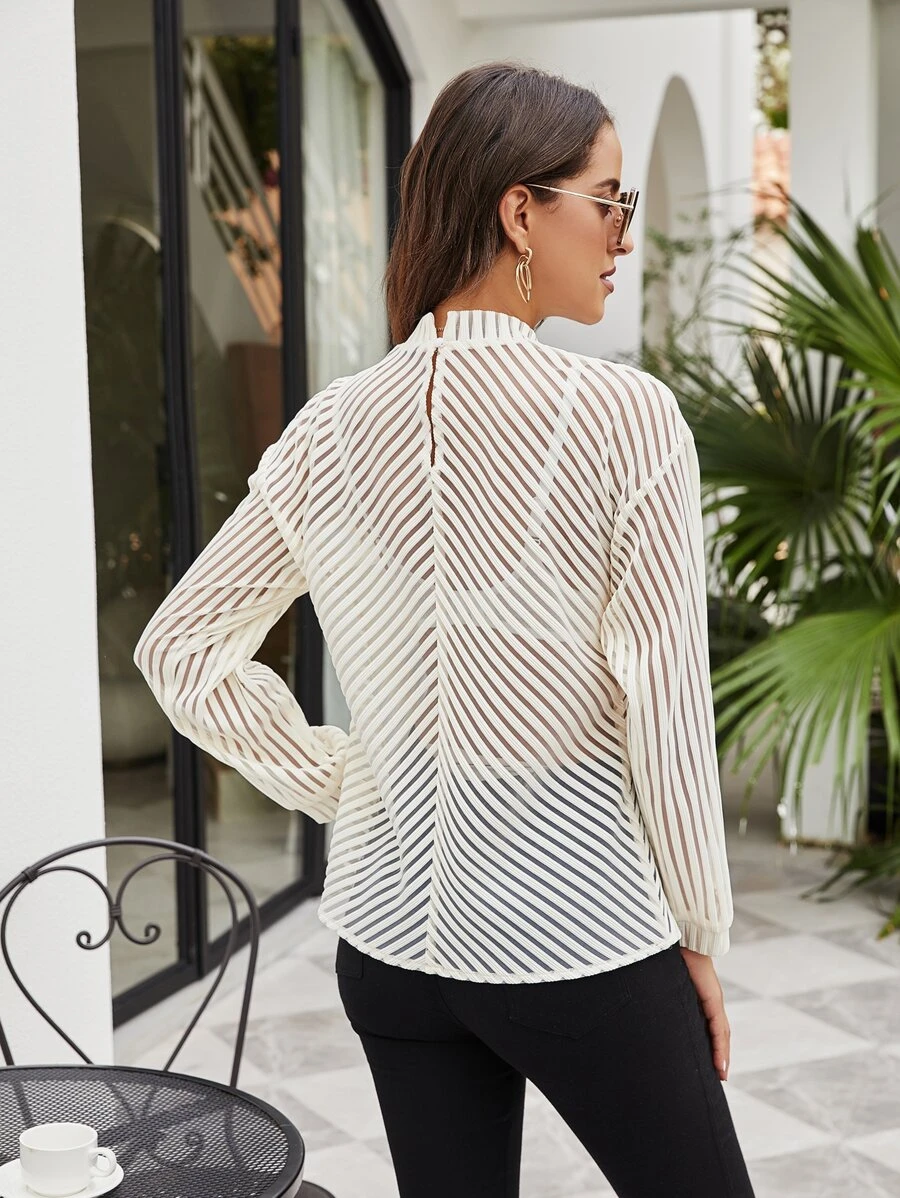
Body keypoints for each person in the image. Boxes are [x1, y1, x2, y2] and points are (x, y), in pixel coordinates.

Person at [133, 59, 756, 1198]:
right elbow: (666, 707)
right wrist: (699, 932)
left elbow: (180, 646)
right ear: (521, 210)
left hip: (389, 948)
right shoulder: (627, 417)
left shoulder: (330, 428)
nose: (622, 235)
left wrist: (346, 778)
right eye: (607, 201)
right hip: (574, 935)